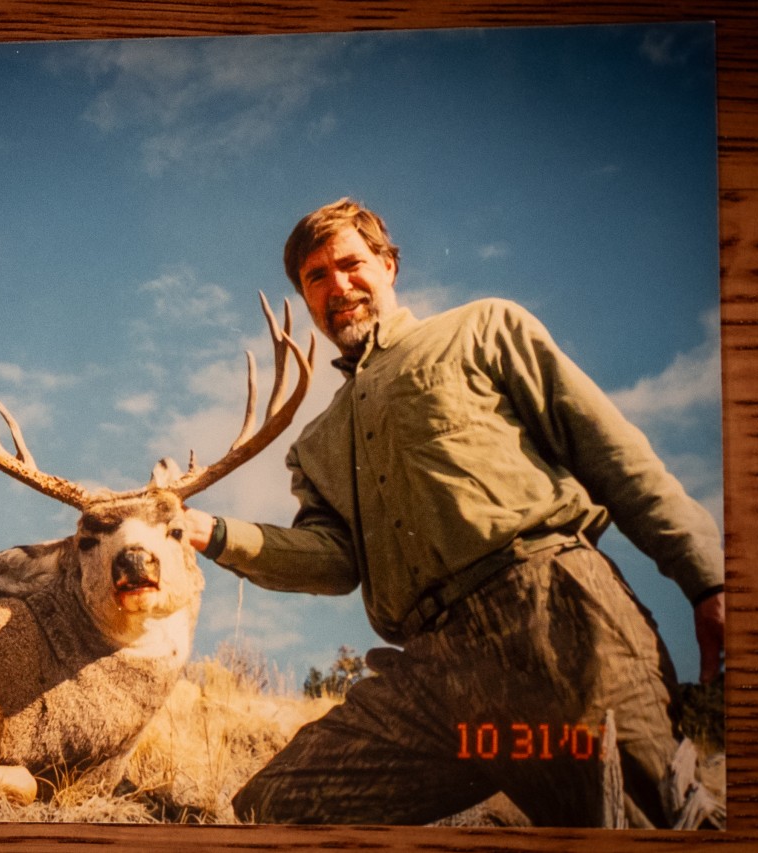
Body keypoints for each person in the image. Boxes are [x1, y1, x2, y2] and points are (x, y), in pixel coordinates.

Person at [185, 197, 725, 827]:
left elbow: (613, 456)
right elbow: (334, 563)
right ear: (305, 298)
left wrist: (706, 577)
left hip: (554, 617)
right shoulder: (318, 443)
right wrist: (212, 534)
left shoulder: (484, 328)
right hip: (433, 677)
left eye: (351, 263)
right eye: (316, 277)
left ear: (388, 266)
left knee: (647, 822)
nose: (339, 285)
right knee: (272, 809)